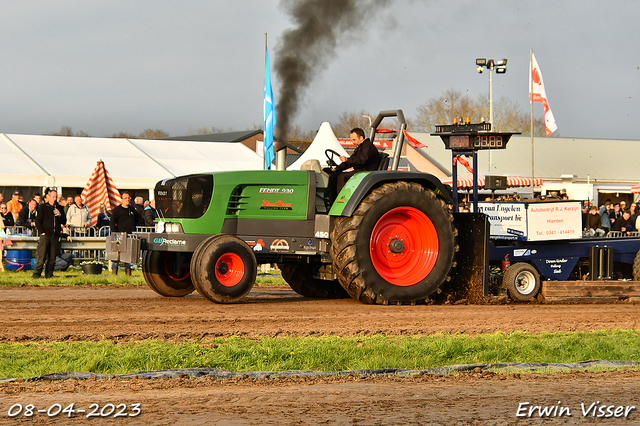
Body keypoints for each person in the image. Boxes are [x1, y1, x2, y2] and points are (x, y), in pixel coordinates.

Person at [327, 128, 381, 204]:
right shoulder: (359, 148)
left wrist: (348, 160)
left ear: (361, 138)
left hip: (366, 172)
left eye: (354, 140)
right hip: (360, 171)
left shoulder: (368, 146)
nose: (352, 142)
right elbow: (350, 161)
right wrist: (335, 169)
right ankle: (332, 202)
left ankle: (342, 202)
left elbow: (362, 160)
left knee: (342, 177)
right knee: (334, 176)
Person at [33, 188, 66, 279]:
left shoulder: (59, 207)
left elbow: (64, 221)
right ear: (48, 197)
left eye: (56, 197)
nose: (54, 199)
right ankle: (36, 275)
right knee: (42, 257)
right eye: (53, 197)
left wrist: (59, 215)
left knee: (52, 259)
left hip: (55, 236)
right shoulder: (43, 207)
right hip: (46, 235)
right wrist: (42, 232)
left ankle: (49, 275)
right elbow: (38, 220)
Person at [110, 192, 140, 276]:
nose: (127, 200)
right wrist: (115, 233)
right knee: (117, 255)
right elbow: (112, 222)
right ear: (122, 200)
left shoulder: (132, 209)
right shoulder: (117, 210)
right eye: (126, 198)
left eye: (128, 198)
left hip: (130, 235)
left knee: (128, 255)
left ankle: (128, 273)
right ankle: (114, 273)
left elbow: (138, 218)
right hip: (119, 235)